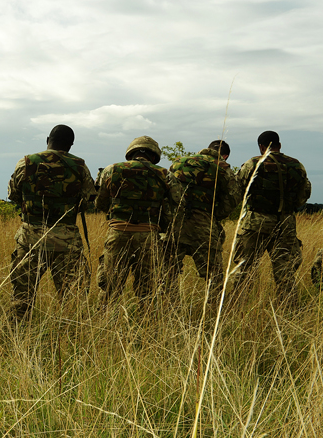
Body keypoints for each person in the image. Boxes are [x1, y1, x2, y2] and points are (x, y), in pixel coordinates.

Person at [8, 124, 96, 320]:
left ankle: (17, 339)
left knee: (21, 297)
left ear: (48, 139)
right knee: (73, 299)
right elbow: (87, 200)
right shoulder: (80, 166)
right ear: (70, 145)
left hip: (30, 237)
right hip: (67, 240)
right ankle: (72, 340)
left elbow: (14, 194)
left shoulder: (26, 162)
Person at [226, 131, 310, 304]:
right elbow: (303, 196)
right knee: (285, 271)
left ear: (262, 147)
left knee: (244, 268)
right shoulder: (296, 165)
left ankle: (236, 308)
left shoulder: (254, 163)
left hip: (256, 222)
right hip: (285, 223)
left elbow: (236, 191)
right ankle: (289, 310)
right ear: (279, 145)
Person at [94, 136, 174, 304]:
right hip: (148, 236)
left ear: (131, 153)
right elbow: (173, 204)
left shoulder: (111, 170)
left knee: (110, 286)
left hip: (117, 234)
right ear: (153, 156)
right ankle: (146, 326)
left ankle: (104, 324)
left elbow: (100, 203)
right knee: (147, 288)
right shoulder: (164, 174)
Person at [162, 139, 240, 308]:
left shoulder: (178, 163)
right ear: (225, 156)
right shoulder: (223, 168)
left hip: (175, 225)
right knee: (214, 276)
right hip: (205, 226)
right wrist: (214, 215)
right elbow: (233, 199)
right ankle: (213, 312)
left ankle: (169, 310)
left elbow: (166, 190)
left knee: (168, 273)